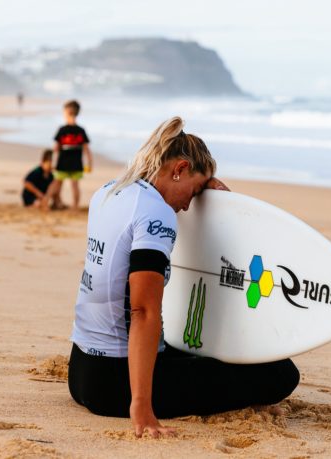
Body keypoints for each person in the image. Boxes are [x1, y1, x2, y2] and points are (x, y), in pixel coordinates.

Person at [68, 116, 300, 438]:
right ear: (179, 169)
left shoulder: (108, 193)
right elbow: (143, 311)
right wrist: (142, 408)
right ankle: (140, 399)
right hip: (114, 384)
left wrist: (215, 195)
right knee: (280, 373)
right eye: (194, 191)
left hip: (80, 371)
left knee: (199, 350)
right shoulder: (156, 214)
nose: (190, 205)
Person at [44, 100, 92, 211]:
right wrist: (90, 163)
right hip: (76, 163)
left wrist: (52, 162)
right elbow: (86, 149)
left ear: (67, 112)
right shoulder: (81, 130)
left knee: (56, 183)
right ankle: (75, 206)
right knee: (75, 185)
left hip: (63, 162)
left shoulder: (62, 130)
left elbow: (56, 148)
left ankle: (46, 201)